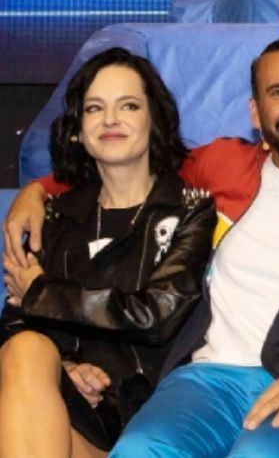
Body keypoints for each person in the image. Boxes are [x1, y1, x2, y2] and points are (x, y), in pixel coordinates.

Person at [6, 36, 279, 457]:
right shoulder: (224, 166)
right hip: (205, 380)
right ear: (255, 111)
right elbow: (130, 157)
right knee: (142, 449)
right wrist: (38, 190)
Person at [0, 49, 214, 458]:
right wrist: (64, 369)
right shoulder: (51, 216)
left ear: (154, 121)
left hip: (144, 418)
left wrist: (43, 291)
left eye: (128, 105)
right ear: (78, 130)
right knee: (27, 350)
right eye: (95, 108)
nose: (110, 119)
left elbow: (156, 316)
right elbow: (13, 324)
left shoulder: (190, 211)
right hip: (61, 411)